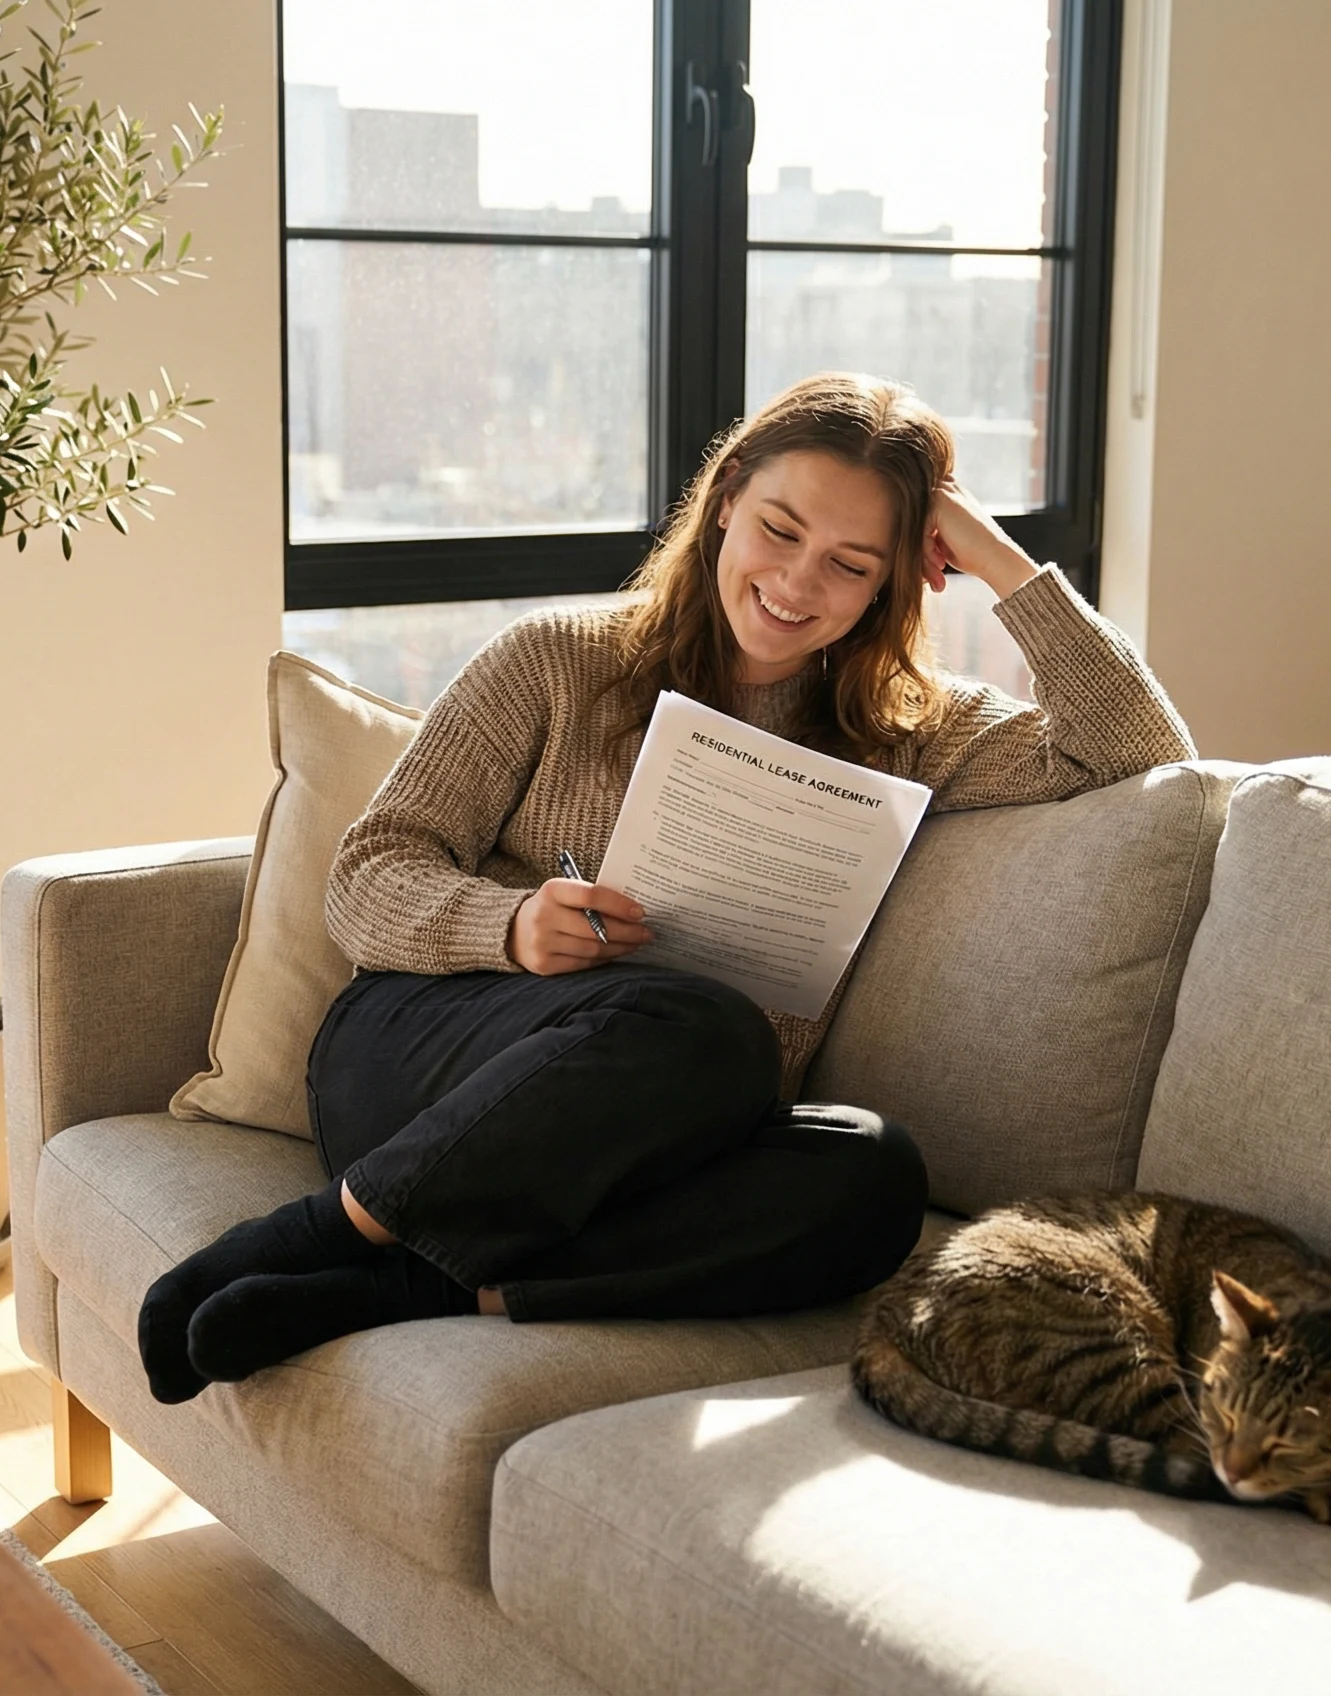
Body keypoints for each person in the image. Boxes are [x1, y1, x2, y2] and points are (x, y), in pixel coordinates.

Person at [140, 372, 1196, 1404]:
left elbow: (1137, 746)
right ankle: (318, 1233)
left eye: (849, 563)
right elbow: (368, 875)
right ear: (726, 494)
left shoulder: (905, 732)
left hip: (654, 1140)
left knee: (873, 1179)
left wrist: (992, 552)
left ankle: (408, 1285)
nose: (795, 584)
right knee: (711, 1027)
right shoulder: (555, 659)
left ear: (891, 582)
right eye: (779, 530)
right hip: (429, 1069)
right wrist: (507, 926)